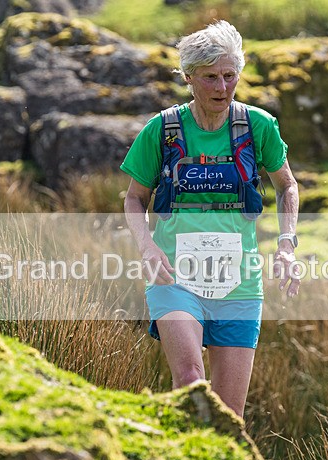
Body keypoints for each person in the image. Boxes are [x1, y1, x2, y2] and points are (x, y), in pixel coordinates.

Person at [121, 20, 300, 418]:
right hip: (174, 278)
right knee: (189, 383)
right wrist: (147, 247)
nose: (221, 88)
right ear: (188, 78)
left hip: (240, 284)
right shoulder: (163, 130)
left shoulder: (257, 126)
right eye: (210, 78)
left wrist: (286, 245)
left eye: (229, 76)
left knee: (228, 416)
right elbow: (134, 199)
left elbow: (287, 186)